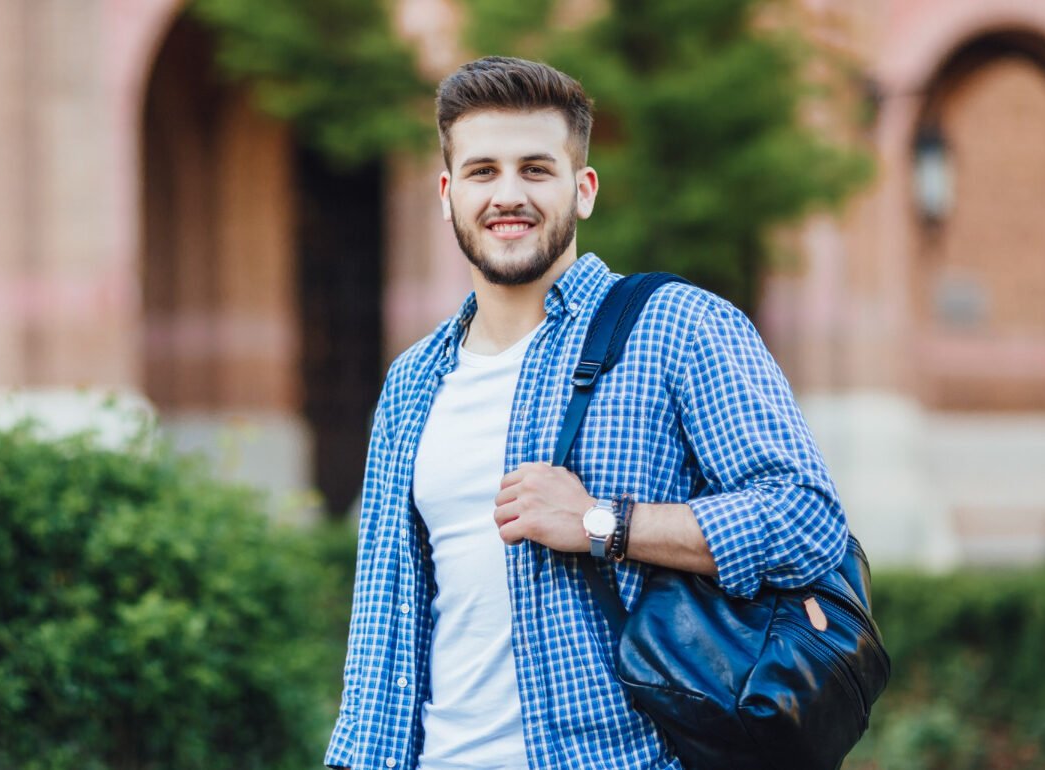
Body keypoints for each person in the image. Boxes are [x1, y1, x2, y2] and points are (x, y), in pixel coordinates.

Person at [324, 56, 849, 770]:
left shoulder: (679, 329)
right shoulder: (412, 382)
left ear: (584, 188)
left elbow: (807, 520)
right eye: (483, 172)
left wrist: (606, 523)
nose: (508, 194)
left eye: (536, 169)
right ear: (447, 195)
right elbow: (382, 632)